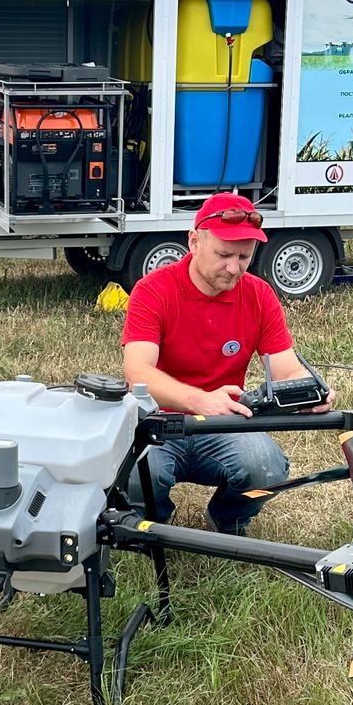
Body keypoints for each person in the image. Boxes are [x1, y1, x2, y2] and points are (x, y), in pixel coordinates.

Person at [121, 192, 332, 535]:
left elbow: (286, 369)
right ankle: (149, 524)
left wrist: (309, 391)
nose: (234, 268)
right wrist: (200, 401)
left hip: (225, 423)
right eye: (223, 255)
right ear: (194, 241)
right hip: (159, 421)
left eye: (244, 257)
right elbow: (138, 374)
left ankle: (229, 518)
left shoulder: (259, 294)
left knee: (266, 469)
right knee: (137, 475)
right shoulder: (153, 290)